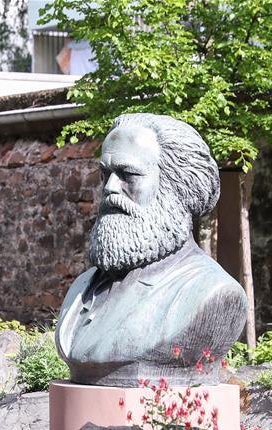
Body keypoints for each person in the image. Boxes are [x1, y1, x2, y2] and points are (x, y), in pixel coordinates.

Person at [55, 113, 247, 387]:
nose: (110, 188)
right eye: (105, 174)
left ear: (177, 187)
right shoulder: (83, 287)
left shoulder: (214, 293)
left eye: (128, 175)